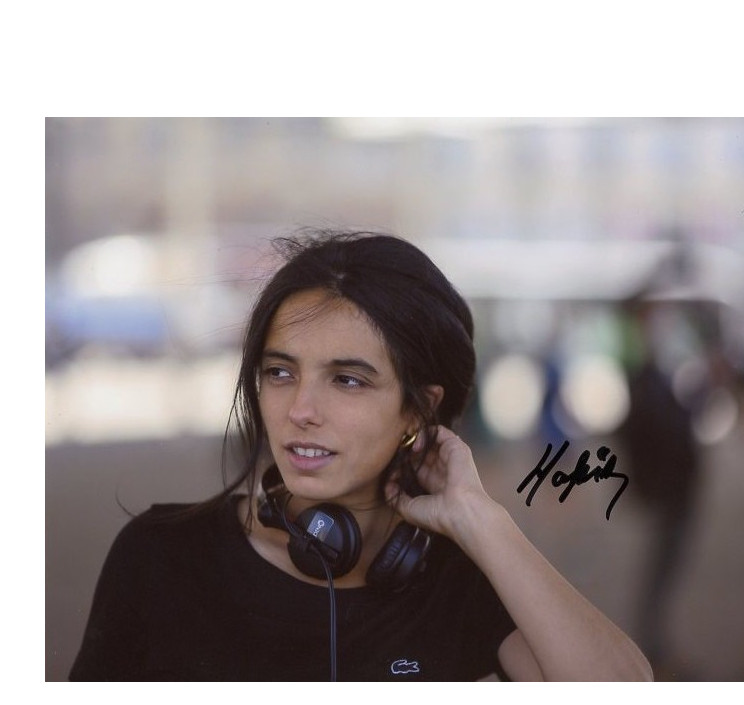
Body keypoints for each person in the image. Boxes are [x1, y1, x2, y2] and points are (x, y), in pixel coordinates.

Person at [70, 230, 653, 682]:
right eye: (280, 372)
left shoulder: (462, 580)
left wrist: (483, 520)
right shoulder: (161, 556)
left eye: (347, 380)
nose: (301, 409)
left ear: (418, 410)